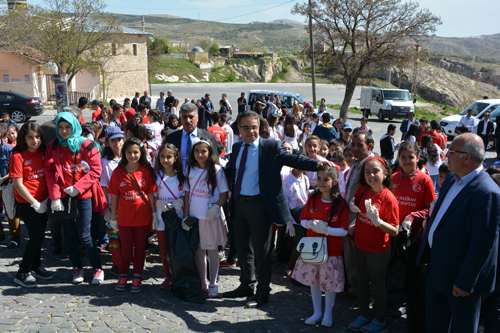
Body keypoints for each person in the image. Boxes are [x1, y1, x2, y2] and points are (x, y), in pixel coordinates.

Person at [223, 111, 330, 308]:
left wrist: (317, 163)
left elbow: (293, 160)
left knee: (262, 252)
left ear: (259, 127)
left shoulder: (271, 146)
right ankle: (246, 285)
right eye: (245, 127)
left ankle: (262, 292)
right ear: (239, 129)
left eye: (253, 126)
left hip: (260, 206)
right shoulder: (237, 147)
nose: (250, 131)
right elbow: (231, 171)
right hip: (238, 205)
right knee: (243, 248)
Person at [417, 133, 500, 332]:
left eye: (452, 151)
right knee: (435, 323)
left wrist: (465, 281)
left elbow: (482, 244)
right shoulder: (454, 178)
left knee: (461, 327)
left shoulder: (487, 193)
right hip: (438, 269)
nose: (446, 154)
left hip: (461, 281)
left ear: (467, 158)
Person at [45, 111, 104, 285]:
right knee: (69, 235)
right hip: (63, 197)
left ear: (74, 126)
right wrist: (55, 197)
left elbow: (95, 170)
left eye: (67, 127)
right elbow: (50, 174)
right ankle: (77, 267)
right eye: (61, 127)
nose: (64, 131)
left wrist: (78, 188)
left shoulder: (87, 144)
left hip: (83, 195)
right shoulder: (53, 147)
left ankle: (97, 268)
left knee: (85, 235)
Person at [292, 165, 349, 328]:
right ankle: (317, 312)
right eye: (319, 179)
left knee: (329, 284)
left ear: (335, 181)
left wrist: (327, 230)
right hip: (313, 249)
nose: (322, 182)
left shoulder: (341, 204)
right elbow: (302, 219)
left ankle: (328, 314)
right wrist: (310, 224)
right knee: (314, 282)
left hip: (332, 250)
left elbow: (344, 231)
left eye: (326, 179)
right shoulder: (313, 198)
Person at [348, 157, 399, 333]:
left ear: (385, 174)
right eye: (367, 171)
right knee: (362, 283)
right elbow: (353, 204)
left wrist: (377, 222)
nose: (371, 175)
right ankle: (363, 314)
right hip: (359, 245)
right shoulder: (363, 190)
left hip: (378, 250)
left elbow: (395, 230)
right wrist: (352, 207)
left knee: (377, 286)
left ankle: (380, 319)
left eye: (375, 171)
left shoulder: (389, 198)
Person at [391, 142, 435, 332]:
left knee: (412, 277)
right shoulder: (393, 178)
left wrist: (411, 217)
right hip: (393, 234)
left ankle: (412, 312)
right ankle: (392, 308)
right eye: (403, 157)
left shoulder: (425, 180)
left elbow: (431, 209)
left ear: (418, 158)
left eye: (411, 157)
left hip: (414, 238)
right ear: (398, 159)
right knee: (392, 272)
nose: (407, 160)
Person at [109, 138, 157, 293]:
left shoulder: (146, 170)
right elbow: (115, 196)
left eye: (136, 152)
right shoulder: (118, 172)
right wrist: (113, 218)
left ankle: (137, 275)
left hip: (142, 217)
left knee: (141, 249)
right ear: (124, 153)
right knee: (126, 250)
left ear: (141, 153)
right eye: (128, 152)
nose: (132, 155)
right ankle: (123, 274)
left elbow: (150, 194)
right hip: (124, 218)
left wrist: (154, 214)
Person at [183, 137, 228, 298]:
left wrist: (216, 207)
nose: (200, 154)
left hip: (210, 217)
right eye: (197, 151)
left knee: (212, 250)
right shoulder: (190, 169)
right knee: (199, 251)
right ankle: (203, 282)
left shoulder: (217, 169)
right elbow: (187, 194)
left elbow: (224, 194)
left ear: (209, 152)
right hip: (195, 218)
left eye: (203, 151)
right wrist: (186, 215)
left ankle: (214, 282)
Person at [11, 123, 52, 288]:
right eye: (30, 137)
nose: (34, 140)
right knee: (37, 236)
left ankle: (36, 267)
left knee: (39, 236)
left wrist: (46, 200)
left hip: (44, 201)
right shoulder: (18, 156)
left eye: (37, 136)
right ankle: (22, 271)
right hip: (27, 203)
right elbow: (18, 184)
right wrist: (34, 203)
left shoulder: (43, 153)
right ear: (23, 138)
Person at [340, 131, 375, 300]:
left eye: (359, 145)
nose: (355, 148)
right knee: (351, 255)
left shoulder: (372, 165)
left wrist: (359, 221)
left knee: (362, 257)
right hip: (349, 215)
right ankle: (354, 288)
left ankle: (367, 293)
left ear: (370, 146)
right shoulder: (356, 163)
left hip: (363, 218)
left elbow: (373, 195)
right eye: (353, 144)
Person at [153, 143, 185, 290]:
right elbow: (151, 195)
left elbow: (186, 195)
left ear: (175, 157)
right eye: (162, 156)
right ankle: (168, 276)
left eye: (169, 156)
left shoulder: (181, 176)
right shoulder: (156, 176)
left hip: (177, 216)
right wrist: (158, 203)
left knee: (177, 247)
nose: (165, 159)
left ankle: (179, 275)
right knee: (164, 248)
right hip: (161, 217)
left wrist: (180, 201)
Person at [163, 103, 219, 168]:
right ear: (180, 119)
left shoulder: (208, 136)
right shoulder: (171, 138)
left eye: (191, 117)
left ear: (197, 118)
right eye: (184, 117)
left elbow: (215, 161)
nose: (188, 120)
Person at [100, 126, 123, 277]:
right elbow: (104, 186)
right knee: (114, 237)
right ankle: (116, 263)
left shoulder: (130, 158)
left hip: (129, 205)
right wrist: (106, 208)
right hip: (113, 206)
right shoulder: (105, 162)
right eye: (113, 140)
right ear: (108, 143)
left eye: (119, 139)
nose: (117, 143)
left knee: (127, 236)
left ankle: (128, 260)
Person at [283, 166, 310, 277]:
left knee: (307, 240)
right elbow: (285, 203)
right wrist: (289, 222)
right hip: (293, 217)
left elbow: (306, 196)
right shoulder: (288, 181)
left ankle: (303, 266)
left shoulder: (305, 179)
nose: (299, 168)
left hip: (305, 214)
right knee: (300, 241)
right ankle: (290, 265)